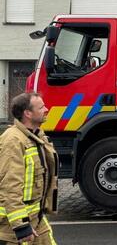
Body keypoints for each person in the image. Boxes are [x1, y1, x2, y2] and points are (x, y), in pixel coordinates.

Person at [0, 93, 58, 244]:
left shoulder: (35, 136)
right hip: (13, 226)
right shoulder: (13, 141)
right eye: (41, 107)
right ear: (27, 113)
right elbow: (10, 186)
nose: (46, 109)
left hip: (36, 219)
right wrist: (21, 226)